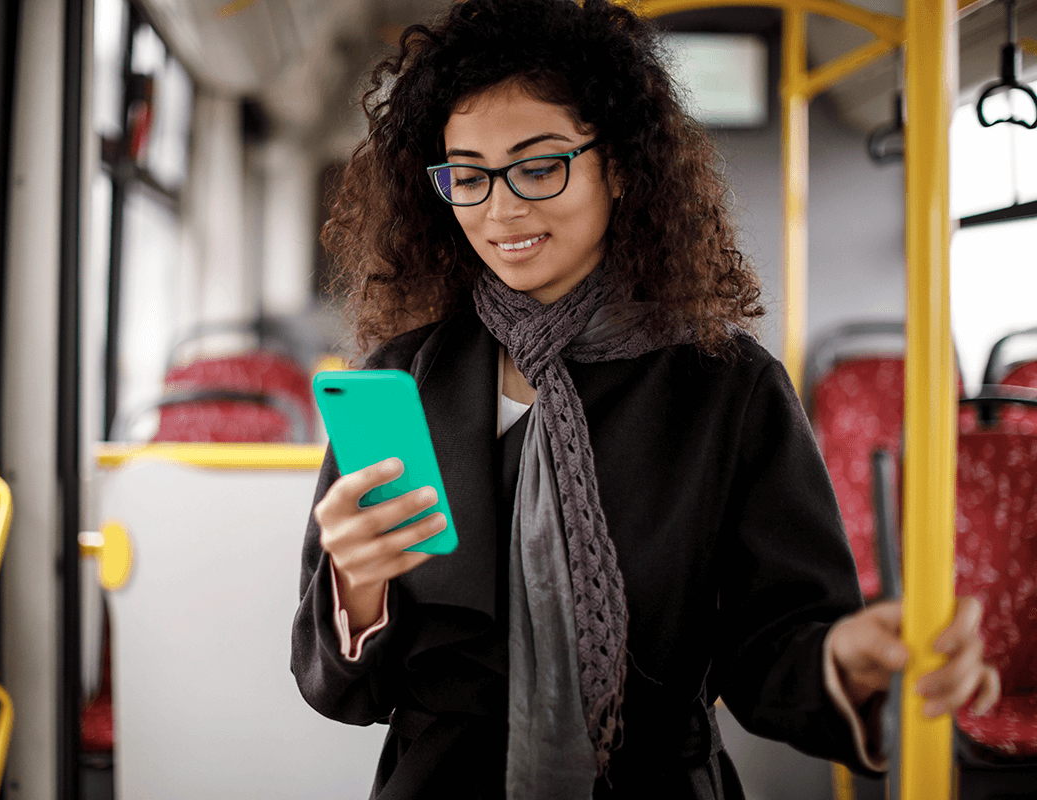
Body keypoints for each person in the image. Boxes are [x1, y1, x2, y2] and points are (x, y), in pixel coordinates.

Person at [290, 1, 999, 797]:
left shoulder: (728, 387)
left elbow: (776, 648)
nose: (498, 208)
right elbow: (343, 692)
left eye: (538, 164)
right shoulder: (404, 379)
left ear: (619, 164)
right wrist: (354, 588)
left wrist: (844, 660)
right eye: (468, 174)